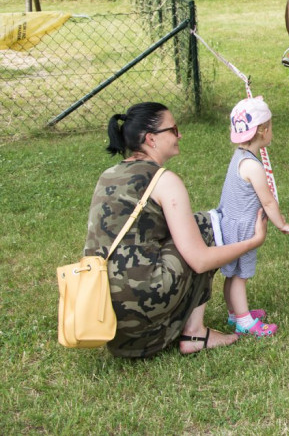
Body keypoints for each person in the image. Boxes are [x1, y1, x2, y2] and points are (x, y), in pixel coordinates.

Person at [83, 102, 269, 358]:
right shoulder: (164, 181)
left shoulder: (108, 174)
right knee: (206, 224)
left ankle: (178, 326)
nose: (180, 135)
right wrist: (253, 241)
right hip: (142, 313)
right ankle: (195, 334)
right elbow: (200, 260)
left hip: (106, 320)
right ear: (151, 139)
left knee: (185, 227)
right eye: (173, 129)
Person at [215, 97, 289, 337]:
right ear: (263, 130)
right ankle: (244, 322)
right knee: (240, 277)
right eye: (270, 126)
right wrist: (282, 223)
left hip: (229, 225)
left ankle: (233, 313)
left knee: (231, 275)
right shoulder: (253, 166)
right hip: (244, 231)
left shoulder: (239, 156)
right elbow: (268, 200)